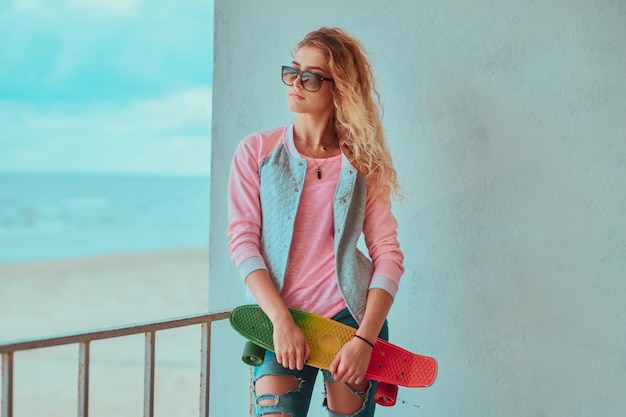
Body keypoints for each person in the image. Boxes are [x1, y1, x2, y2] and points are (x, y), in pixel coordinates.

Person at [227, 27, 404, 417]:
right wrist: (280, 320)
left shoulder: (363, 165)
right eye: (293, 71)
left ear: (338, 88)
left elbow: (388, 255)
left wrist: (366, 340)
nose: (296, 83)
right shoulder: (257, 152)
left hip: (349, 325)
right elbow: (242, 242)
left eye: (310, 76)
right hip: (278, 323)